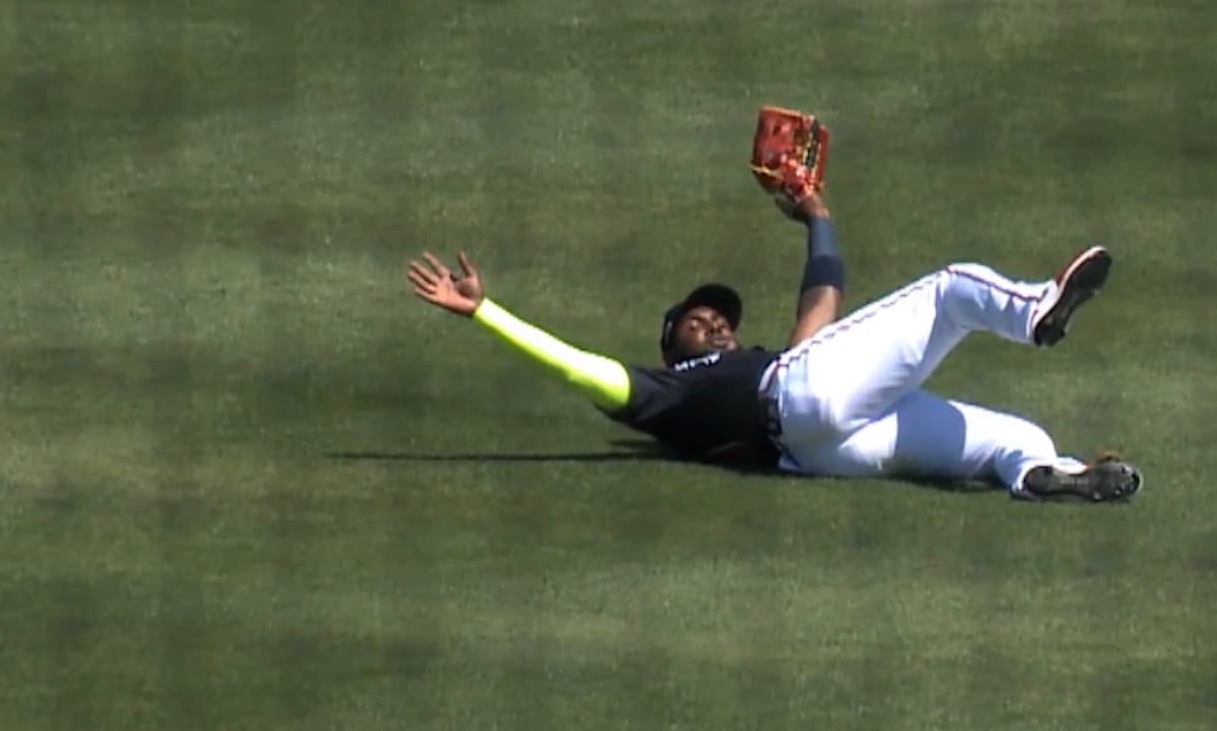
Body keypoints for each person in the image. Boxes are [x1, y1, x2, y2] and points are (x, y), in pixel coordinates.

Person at [405, 192, 1142, 502]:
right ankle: (1036, 313)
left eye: (720, 319)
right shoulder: (672, 391)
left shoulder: (769, 360)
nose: (714, 325)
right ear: (670, 349)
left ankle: (1052, 478)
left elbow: (822, 299)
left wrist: (818, 218)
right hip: (801, 412)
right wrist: (488, 313)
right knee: (951, 289)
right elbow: (583, 371)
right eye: (696, 321)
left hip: (826, 447)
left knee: (1016, 439)